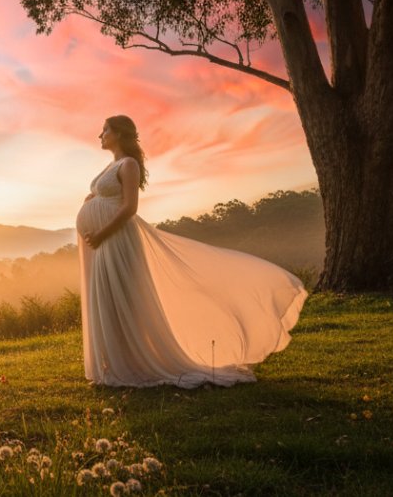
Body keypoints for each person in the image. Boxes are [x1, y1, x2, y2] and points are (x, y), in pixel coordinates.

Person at [76, 115, 307, 387]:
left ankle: (133, 364)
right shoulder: (111, 166)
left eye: (104, 130)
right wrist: (93, 200)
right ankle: (115, 364)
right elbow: (110, 197)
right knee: (109, 300)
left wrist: (102, 232)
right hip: (104, 243)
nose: (100, 135)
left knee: (124, 299)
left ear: (119, 133)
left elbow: (129, 208)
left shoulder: (128, 164)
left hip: (116, 240)